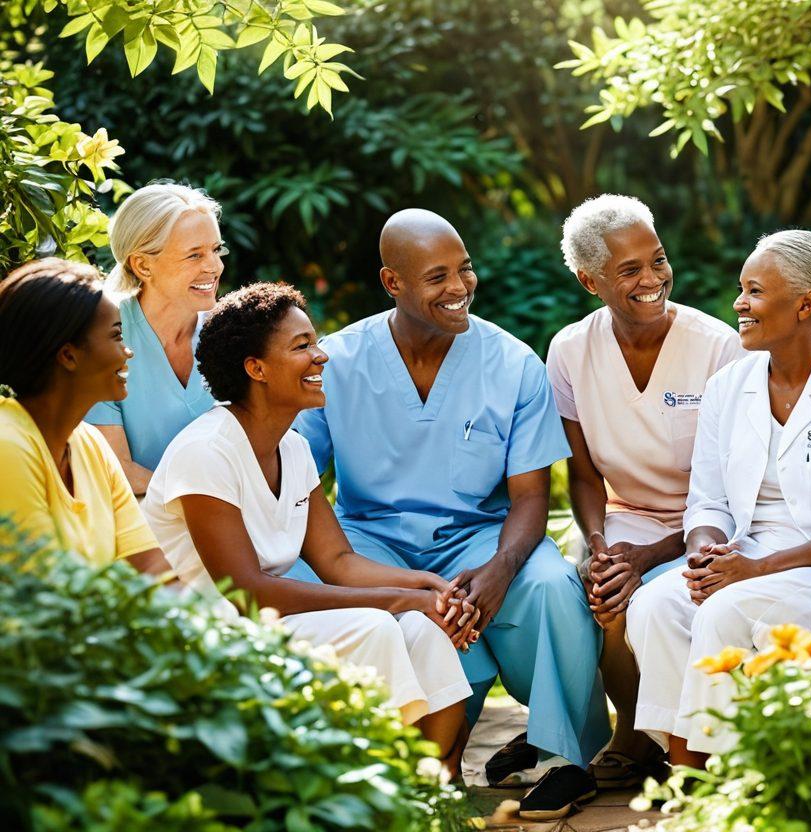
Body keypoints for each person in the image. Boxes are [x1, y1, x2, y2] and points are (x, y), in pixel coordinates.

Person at [293, 209, 608, 820]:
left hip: (481, 538)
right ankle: (365, 754)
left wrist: (499, 569)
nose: (459, 287)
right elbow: (298, 475)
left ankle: (566, 760)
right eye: (437, 276)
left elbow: (530, 497)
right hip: (368, 542)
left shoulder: (513, 364)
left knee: (550, 585)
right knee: (303, 590)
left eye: (464, 269)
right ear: (393, 283)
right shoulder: (337, 362)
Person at [141, 282, 474, 775]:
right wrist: (396, 600)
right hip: (208, 635)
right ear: (255, 369)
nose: (321, 357)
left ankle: (436, 790)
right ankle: (380, 789)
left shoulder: (292, 448)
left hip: (264, 625)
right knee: (377, 625)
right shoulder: (205, 451)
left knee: (423, 630)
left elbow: (338, 562)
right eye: (302, 347)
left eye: (315, 342)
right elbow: (246, 592)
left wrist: (429, 588)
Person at [626, 230, 811, 767]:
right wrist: (707, 552)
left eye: (754, 291)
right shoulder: (729, 385)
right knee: (655, 605)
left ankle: (698, 777)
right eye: (742, 289)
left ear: (806, 304)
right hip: (744, 550)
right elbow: (707, 499)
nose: (739, 303)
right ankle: (701, 763)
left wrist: (756, 570)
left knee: (724, 612)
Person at [546, 194, 744, 787]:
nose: (652, 278)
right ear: (590, 281)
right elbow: (583, 475)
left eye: (656, 260)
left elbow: (733, 484)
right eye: (628, 270)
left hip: (713, 518)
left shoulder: (718, 347)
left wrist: (653, 555)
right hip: (625, 515)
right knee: (604, 595)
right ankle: (633, 733)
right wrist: (601, 544)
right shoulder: (569, 350)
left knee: (664, 595)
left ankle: (689, 741)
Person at [0, 258, 165, 572]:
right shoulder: (7, 446)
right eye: (117, 335)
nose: (127, 351)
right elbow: (49, 589)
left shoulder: (91, 444)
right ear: (68, 355)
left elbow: (154, 568)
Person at [88, 182, 223, 495]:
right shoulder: (99, 339)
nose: (214, 266)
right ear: (143, 265)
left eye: (216, 250)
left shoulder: (231, 330)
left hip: (232, 518)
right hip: (137, 522)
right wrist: (205, 503)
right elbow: (115, 470)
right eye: (194, 256)